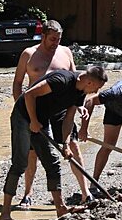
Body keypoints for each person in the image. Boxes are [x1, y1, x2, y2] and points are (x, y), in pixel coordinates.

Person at [0, 66, 108, 220]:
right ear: (89, 82)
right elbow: (29, 94)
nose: (96, 91)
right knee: (20, 163)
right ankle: (5, 213)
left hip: (42, 120)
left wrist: (66, 144)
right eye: (97, 88)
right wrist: (33, 121)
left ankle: (60, 208)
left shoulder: (80, 92)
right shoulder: (61, 80)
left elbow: (68, 119)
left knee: (53, 163)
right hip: (23, 116)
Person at [12, 20, 93, 206]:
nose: (55, 43)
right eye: (52, 39)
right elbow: (17, 83)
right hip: (36, 108)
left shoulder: (65, 52)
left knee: (72, 145)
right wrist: (20, 108)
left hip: (61, 108)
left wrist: (79, 105)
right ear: (43, 36)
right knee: (32, 153)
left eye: (58, 39)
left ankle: (85, 192)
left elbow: (76, 81)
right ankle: (28, 193)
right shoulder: (29, 54)